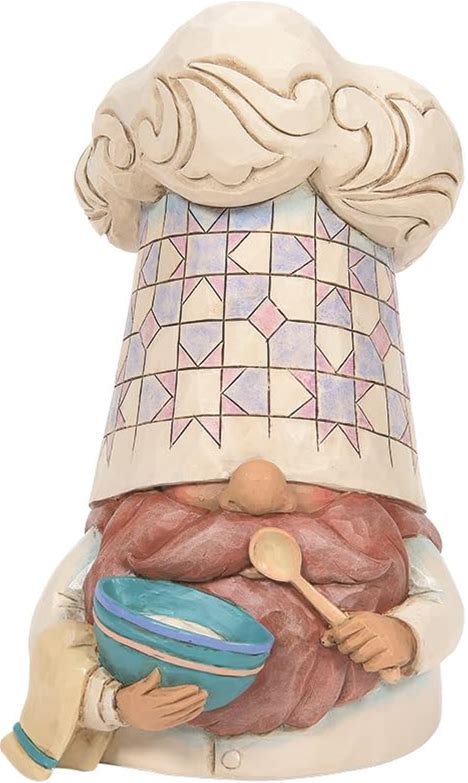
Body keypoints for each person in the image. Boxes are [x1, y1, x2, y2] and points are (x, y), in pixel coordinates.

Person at [1, 3, 463, 779]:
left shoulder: (384, 547)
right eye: (201, 472)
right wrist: (114, 706)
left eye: (309, 476)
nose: (255, 487)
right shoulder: (119, 551)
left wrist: (408, 633)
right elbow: (57, 628)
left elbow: (438, 599)